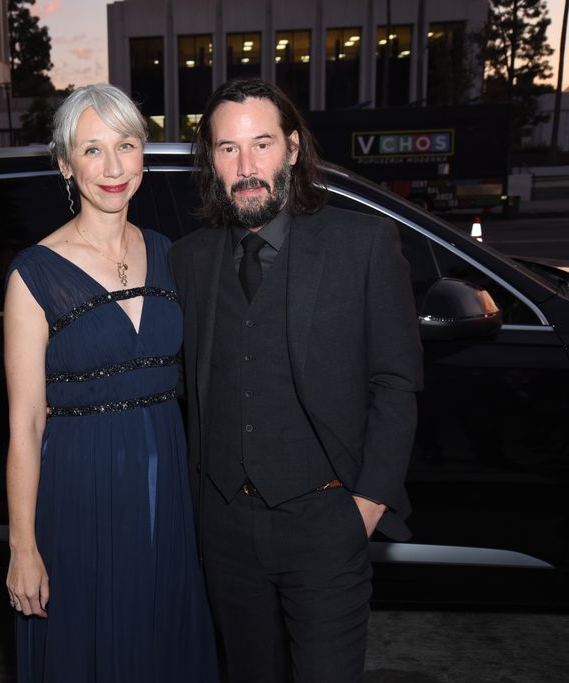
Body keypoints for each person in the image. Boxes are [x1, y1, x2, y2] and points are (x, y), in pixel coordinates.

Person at [169, 78, 423, 682]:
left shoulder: (361, 244)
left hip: (326, 523)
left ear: (293, 148)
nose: (246, 164)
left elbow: (395, 380)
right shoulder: (189, 259)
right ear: (211, 161)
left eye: (261, 144)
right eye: (227, 149)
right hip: (225, 528)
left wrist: (366, 504)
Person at [3, 83, 218, 683]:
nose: (113, 166)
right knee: (90, 644)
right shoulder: (33, 274)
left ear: (142, 155)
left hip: (167, 482)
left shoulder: (168, 252)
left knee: (161, 637)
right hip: (80, 486)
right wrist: (23, 547)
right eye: (92, 150)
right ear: (65, 164)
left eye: (125, 145)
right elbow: (24, 423)